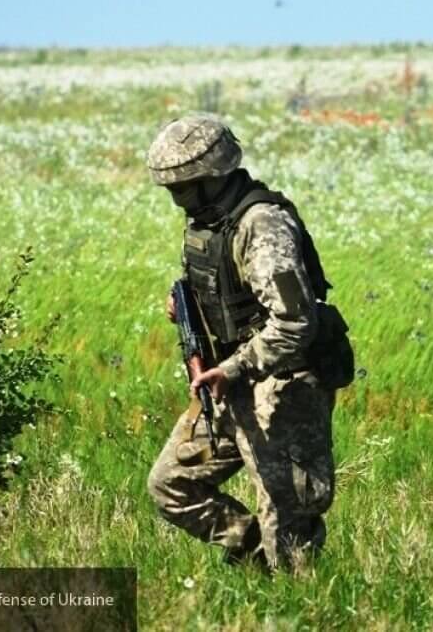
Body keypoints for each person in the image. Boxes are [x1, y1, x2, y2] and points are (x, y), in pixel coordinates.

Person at [145, 114, 353, 570]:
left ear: (210, 177)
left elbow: (295, 322)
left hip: (282, 388)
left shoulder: (263, 225)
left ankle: (301, 604)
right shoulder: (209, 222)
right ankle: (254, 555)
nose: (176, 199)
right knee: (171, 485)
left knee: (289, 513)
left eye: (182, 187)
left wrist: (235, 368)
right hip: (227, 388)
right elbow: (223, 284)